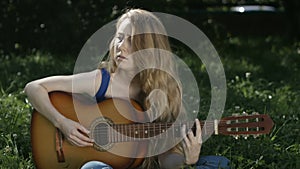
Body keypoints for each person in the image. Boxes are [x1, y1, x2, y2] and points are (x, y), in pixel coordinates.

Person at [25, 9, 230, 169]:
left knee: (220, 163)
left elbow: (166, 160)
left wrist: (187, 159)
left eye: (132, 41)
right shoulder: (101, 81)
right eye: (120, 37)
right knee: (93, 167)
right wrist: (63, 123)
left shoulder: (162, 93)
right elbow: (34, 87)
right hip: (99, 164)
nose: (121, 46)